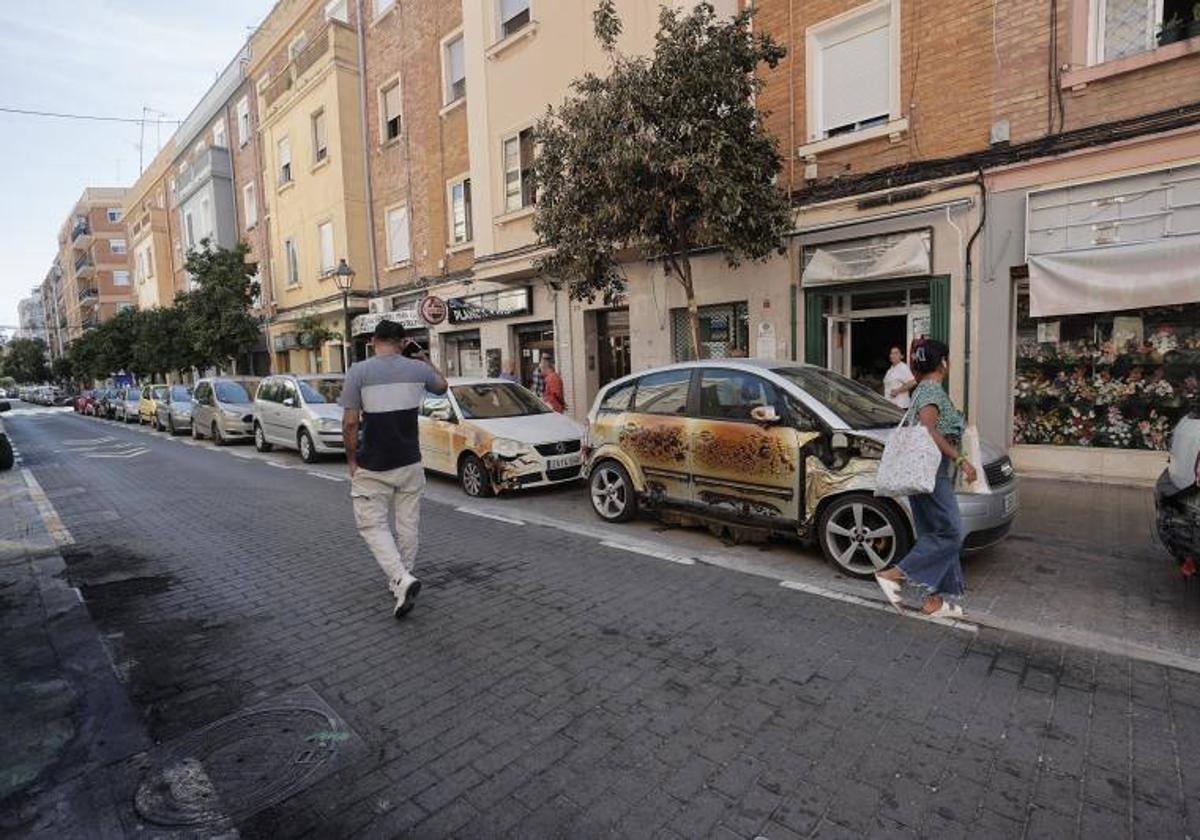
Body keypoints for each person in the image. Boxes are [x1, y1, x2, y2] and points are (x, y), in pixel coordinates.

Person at [341, 320, 448, 619]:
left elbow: (350, 423)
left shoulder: (359, 372)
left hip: (373, 464)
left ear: (374, 340)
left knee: (372, 525)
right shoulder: (417, 370)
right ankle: (402, 578)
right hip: (410, 461)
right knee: (408, 524)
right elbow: (443, 386)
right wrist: (425, 359)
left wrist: (351, 459)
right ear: (403, 342)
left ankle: (401, 578)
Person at [874, 338, 977, 619]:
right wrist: (960, 458)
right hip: (932, 470)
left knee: (935, 534)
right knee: (951, 533)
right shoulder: (931, 389)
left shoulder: (924, 389)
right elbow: (929, 430)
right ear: (943, 362)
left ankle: (936, 601)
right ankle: (895, 574)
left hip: (924, 470)